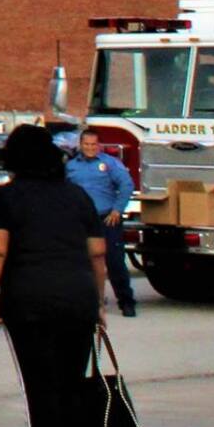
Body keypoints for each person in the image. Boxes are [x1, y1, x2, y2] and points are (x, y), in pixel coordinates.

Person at [0, 123, 110, 427]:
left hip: (29, 302)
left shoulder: (4, 199)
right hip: (78, 300)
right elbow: (97, 254)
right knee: (71, 387)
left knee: (41, 389)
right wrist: (99, 303)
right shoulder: (78, 197)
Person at [65, 129, 138, 317]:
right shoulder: (71, 166)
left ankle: (126, 301)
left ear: (99, 146)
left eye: (93, 145)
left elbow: (126, 185)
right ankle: (91, 301)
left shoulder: (110, 164)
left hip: (106, 218)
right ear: (80, 145)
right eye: (86, 144)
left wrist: (117, 210)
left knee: (114, 262)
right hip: (81, 221)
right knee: (81, 263)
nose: (90, 148)